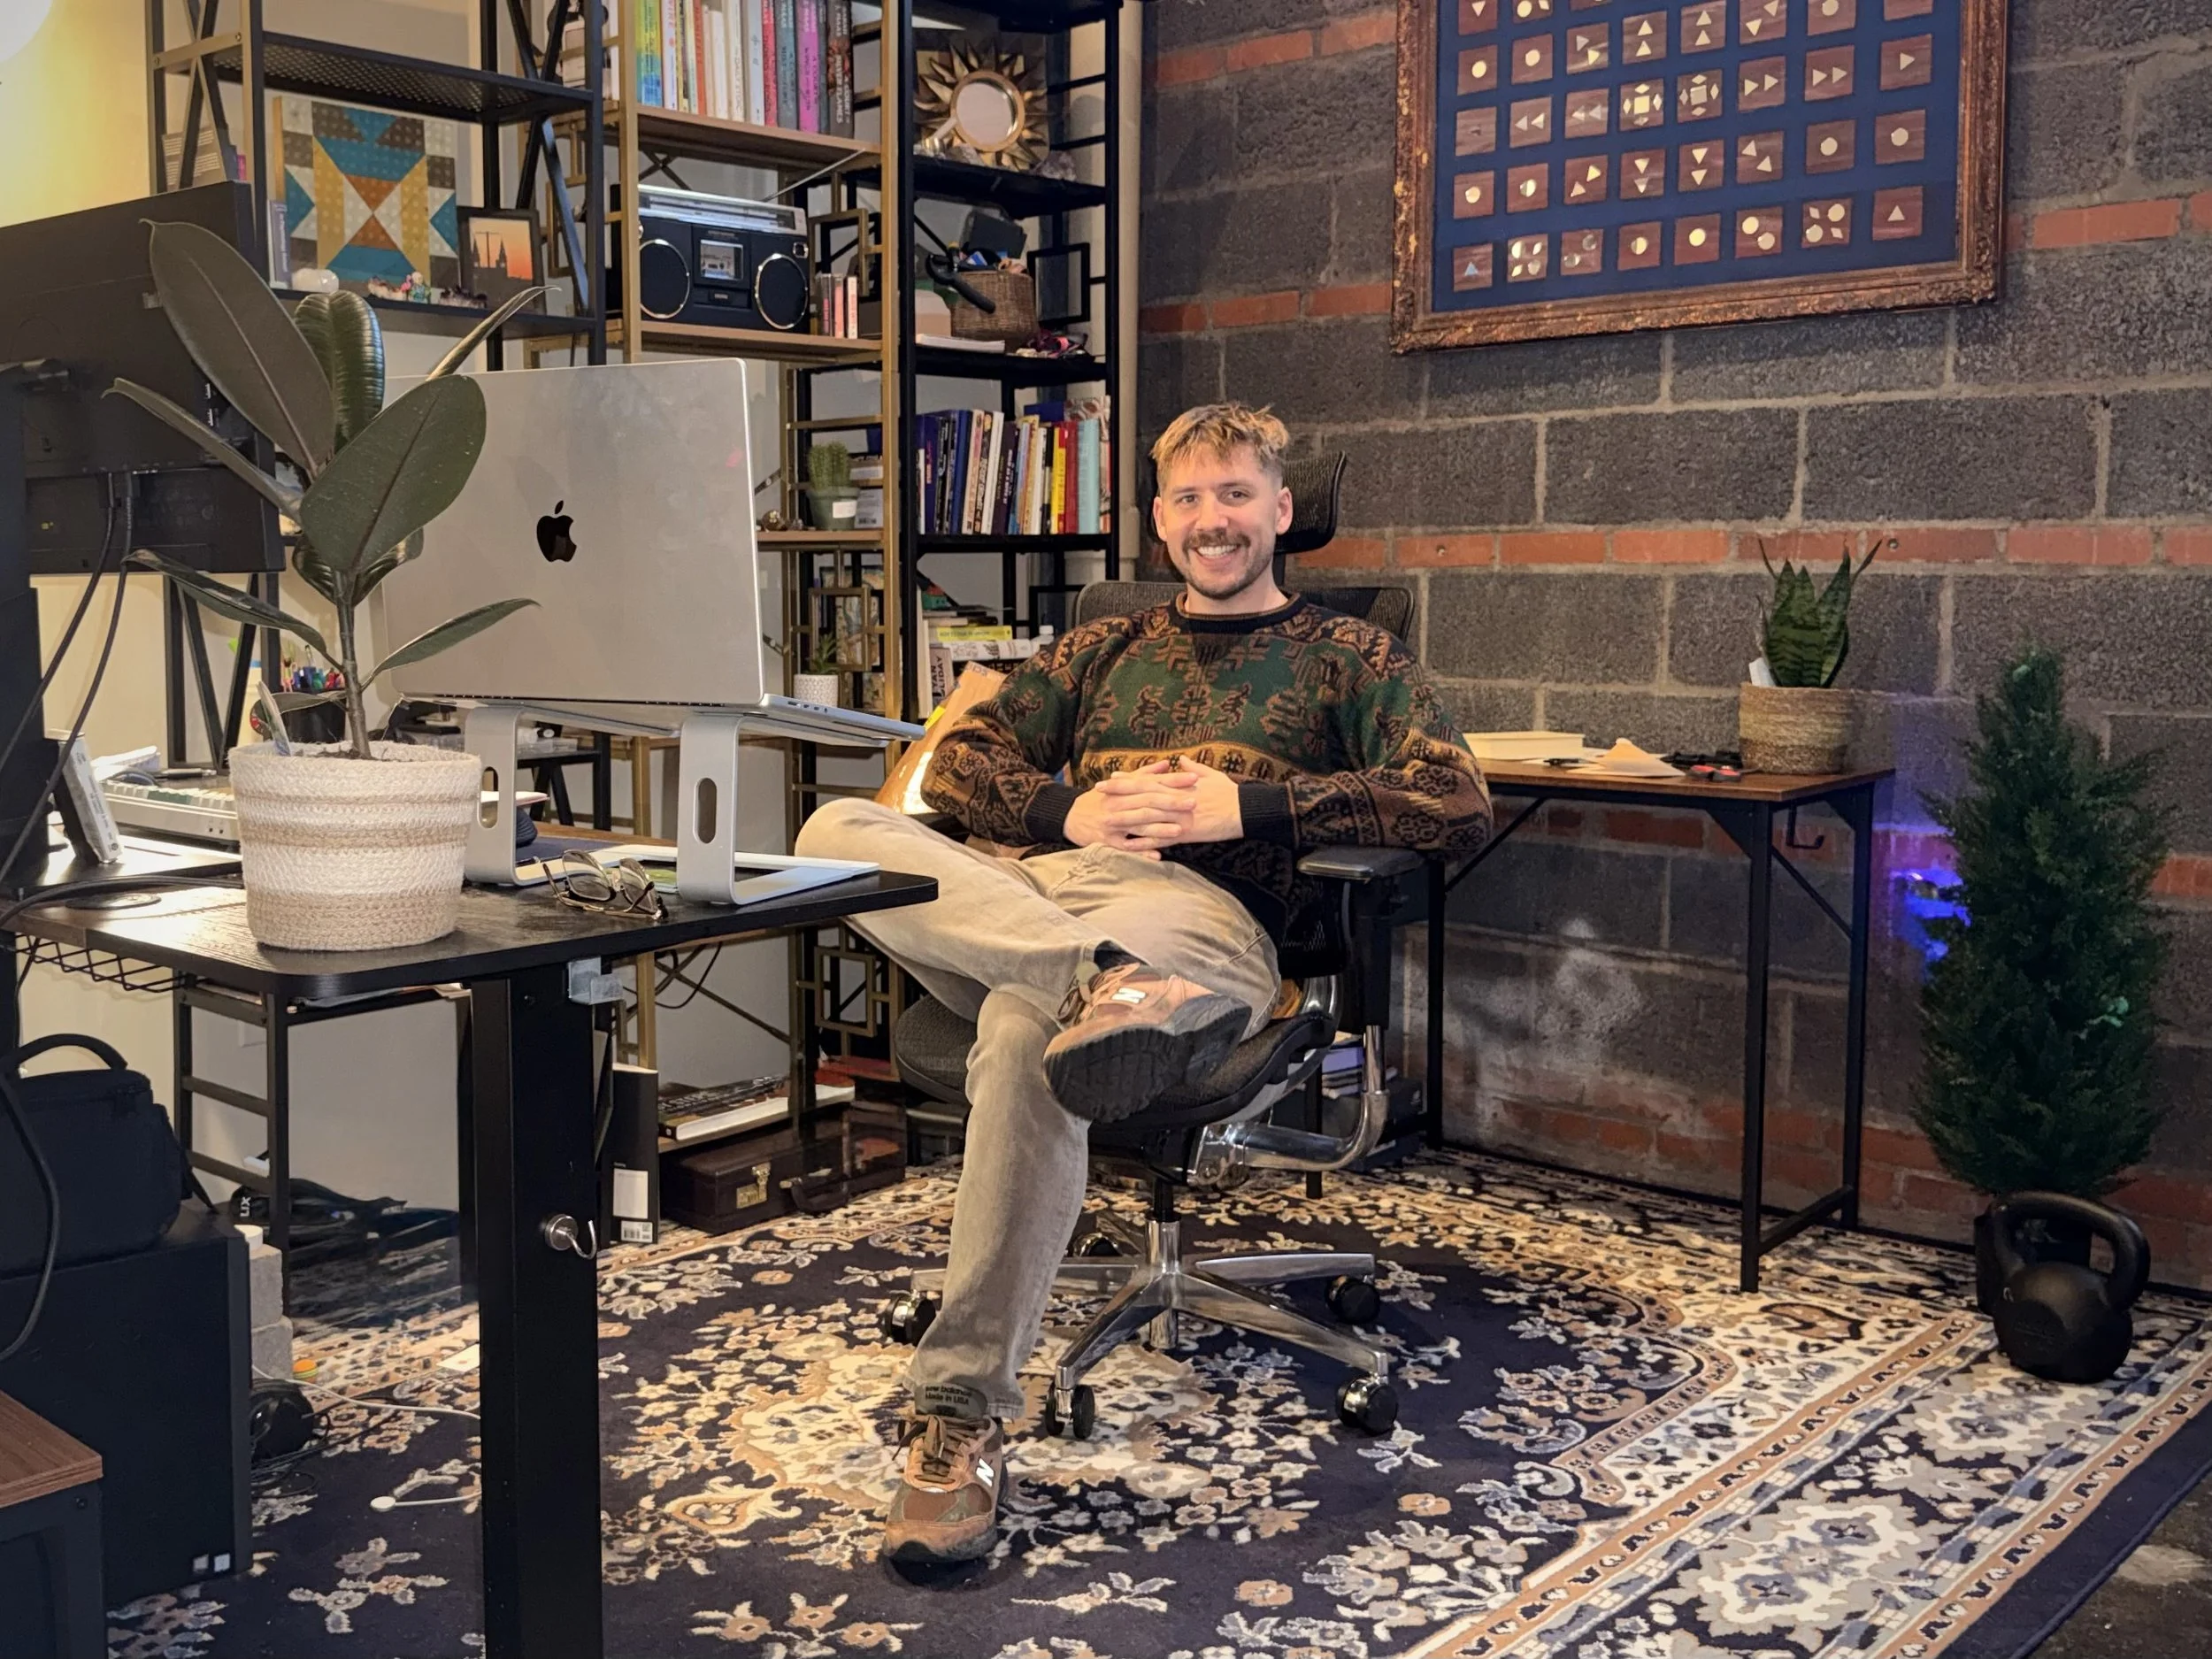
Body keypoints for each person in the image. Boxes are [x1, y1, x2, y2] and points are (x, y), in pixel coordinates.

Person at [793, 402, 1493, 1565]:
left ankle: (958, 1421)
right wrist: (1066, 810)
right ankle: (1101, 983)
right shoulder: (1100, 647)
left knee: (1026, 1040)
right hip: (1043, 893)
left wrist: (1251, 806)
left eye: (1236, 495)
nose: (1212, 519)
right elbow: (959, 761)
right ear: (1161, 520)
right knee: (831, 827)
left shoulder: (1352, 655)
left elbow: (1454, 801)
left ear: (1280, 509)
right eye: (1188, 498)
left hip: (1201, 921)